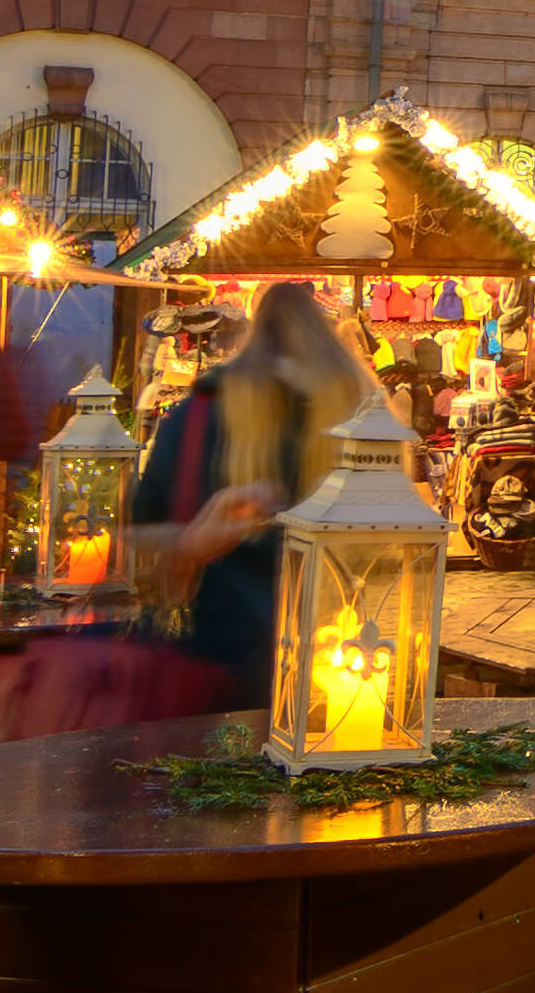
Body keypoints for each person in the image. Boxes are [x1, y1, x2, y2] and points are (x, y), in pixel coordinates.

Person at [129, 284, 377, 692]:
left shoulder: (203, 410)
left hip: (217, 653)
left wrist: (191, 542)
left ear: (254, 328)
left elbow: (135, 536)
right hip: (340, 660)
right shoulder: (364, 411)